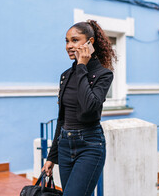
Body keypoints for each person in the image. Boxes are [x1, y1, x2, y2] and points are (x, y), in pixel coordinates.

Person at [41, 20, 116, 195]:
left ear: (90, 42)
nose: (69, 46)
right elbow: (62, 118)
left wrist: (81, 65)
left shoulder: (104, 75)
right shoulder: (66, 76)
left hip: (90, 145)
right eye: (67, 41)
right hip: (65, 145)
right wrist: (52, 157)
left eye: (75, 40)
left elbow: (90, 107)